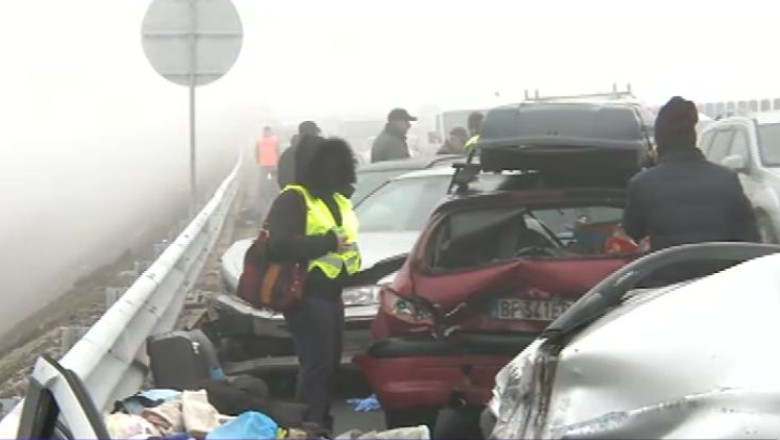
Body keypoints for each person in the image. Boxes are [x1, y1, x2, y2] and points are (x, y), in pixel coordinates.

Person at [264, 136, 360, 433]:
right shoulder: (294, 198)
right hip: (306, 295)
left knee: (328, 365)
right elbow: (278, 245)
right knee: (316, 366)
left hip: (332, 294)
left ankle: (319, 424)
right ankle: (309, 427)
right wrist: (327, 242)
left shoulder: (337, 199)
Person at [622, 96, 759, 281]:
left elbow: (633, 231)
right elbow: (751, 239)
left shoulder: (642, 184)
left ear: (660, 143)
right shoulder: (726, 179)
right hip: (720, 283)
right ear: (693, 137)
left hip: (666, 285)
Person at [277, 121, 321, 188]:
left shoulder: (287, 153)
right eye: (316, 133)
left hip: (291, 191)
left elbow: (281, 177)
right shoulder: (319, 152)